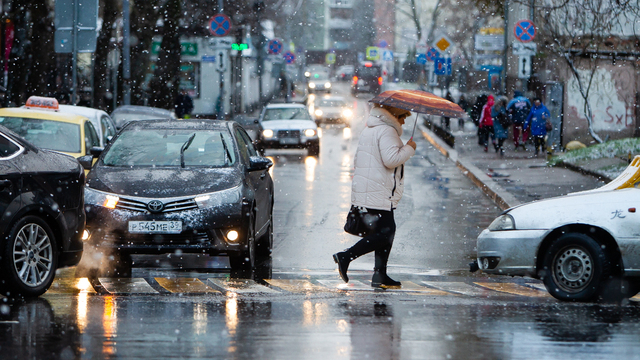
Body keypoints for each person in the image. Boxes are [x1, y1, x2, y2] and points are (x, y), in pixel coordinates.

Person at [333, 103, 416, 289]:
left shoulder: (371, 129)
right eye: (403, 117)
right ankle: (346, 257)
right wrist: (409, 148)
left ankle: (380, 275)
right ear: (395, 115)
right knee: (386, 232)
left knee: (385, 231)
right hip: (378, 190)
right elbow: (391, 160)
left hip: (370, 188)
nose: (403, 121)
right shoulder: (387, 131)